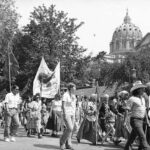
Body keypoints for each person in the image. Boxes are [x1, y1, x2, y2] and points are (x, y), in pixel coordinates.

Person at [124, 81, 150, 150]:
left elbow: (144, 110)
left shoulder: (143, 99)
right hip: (135, 120)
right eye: (142, 89)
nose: (144, 90)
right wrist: (125, 121)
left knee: (132, 138)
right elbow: (126, 110)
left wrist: (147, 120)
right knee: (142, 137)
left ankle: (126, 148)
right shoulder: (131, 99)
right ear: (138, 90)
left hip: (142, 121)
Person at [60, 83, 77, 150]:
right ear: (70, 88)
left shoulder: (73, 95)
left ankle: (68, 144)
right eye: (74, 87)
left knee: (71, 130)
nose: (75, 88)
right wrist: (64, 114)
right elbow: (63, 105)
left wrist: (75, 114)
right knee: (70, 128)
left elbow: (74, 106)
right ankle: (62, 142)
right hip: (67, 114)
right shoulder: (65, 95)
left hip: (73, 114)